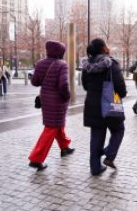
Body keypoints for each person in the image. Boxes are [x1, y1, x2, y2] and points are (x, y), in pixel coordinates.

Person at [82, 38, 127, 176]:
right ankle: (109, 153)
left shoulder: (86, 65)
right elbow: (120, 87)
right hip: (109, 104)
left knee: (96, 136)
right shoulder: (111, 64)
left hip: (92, 105)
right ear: (103, 48)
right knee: (119, 129)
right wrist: (121, 94)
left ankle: (95, 168)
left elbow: (85, 86)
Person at [28, 41, 74, 171]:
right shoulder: (62, 65)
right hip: (58, 102)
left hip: (45, 100)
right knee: (50, 128)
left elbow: (35, 82)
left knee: (57, 125)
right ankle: (36, 159)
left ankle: (64, 147)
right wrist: (67, 96)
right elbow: (63, 85)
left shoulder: (40, 63)